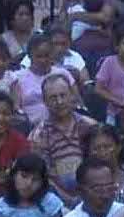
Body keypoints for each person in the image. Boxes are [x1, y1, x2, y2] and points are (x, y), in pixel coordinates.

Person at [30, 73, 98, 203]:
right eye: (53, 98)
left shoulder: (90, 126)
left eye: (63, 95)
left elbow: (101, 165)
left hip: (93, 194)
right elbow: (42, 176)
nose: (59, 102)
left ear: (72, 96)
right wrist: (69, 200)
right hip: (58, 199)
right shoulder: (38, 135)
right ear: (45, 101)